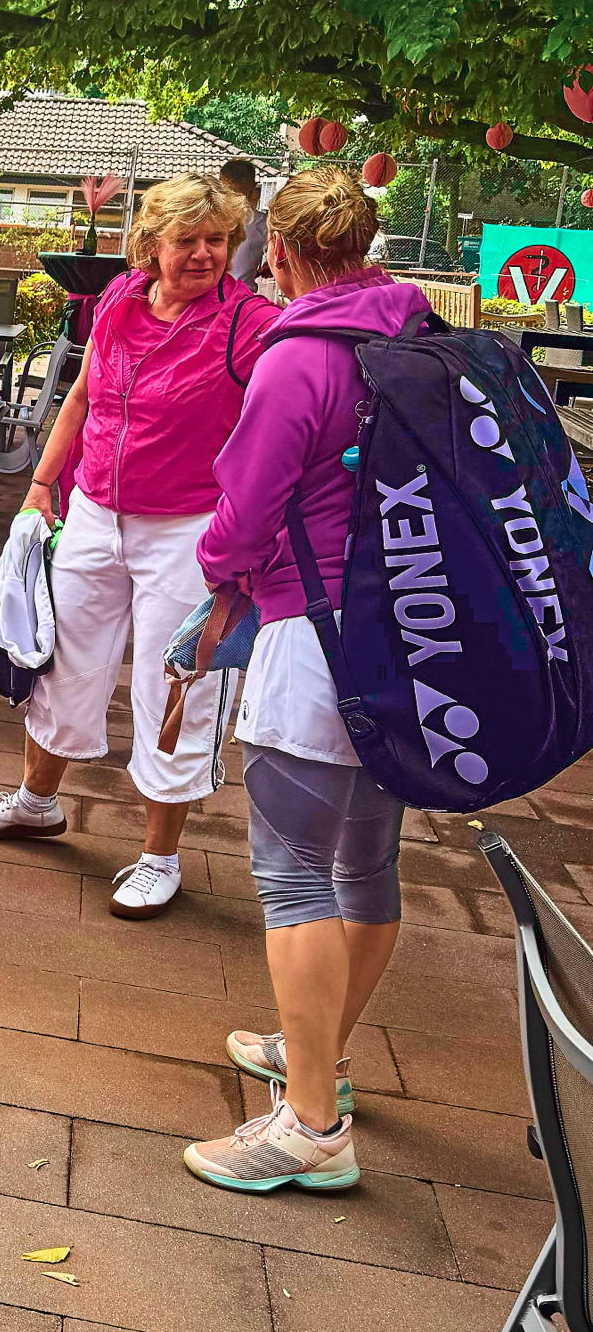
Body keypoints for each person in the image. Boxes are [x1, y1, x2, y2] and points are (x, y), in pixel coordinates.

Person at [183, 170, 424, 1191]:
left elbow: (241, 518)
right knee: (366, 866)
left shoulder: (303, 360)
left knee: (290, 876)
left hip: (315, 632)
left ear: (275, 253)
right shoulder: (419, 336)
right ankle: (316, 1053)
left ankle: (312, 1125)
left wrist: (213, 580)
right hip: (415, 637)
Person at [0, 173, 279, 917]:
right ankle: (38, 802)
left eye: (217, 240)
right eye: (187, 240)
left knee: (175, 686)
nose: (204, 254)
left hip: (190, 528)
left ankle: (160, 855)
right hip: (95, 512)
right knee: (60, 656)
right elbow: (80, 395)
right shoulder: (119, 301)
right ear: (151, 245)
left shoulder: (249, 323)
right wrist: (42, 483)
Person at [221, 157, 269, 282]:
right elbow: (278, 260)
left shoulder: (207, 218)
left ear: (220, 184)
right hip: (243, 296)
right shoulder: (264, 224)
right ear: (253, 186)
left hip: (208, 295)